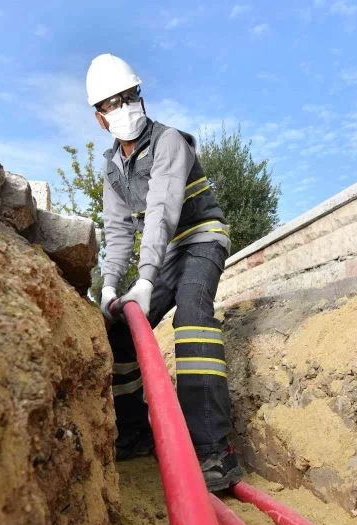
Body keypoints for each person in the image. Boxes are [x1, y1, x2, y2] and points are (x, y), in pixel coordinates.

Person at [86, 53, 243, 492]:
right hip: (171, 250)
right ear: (100, 119)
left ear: (140, 95)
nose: (123, 108)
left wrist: (147, 276)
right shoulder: (112, 169)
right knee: (118, 330)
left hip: (202, 237)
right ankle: (136, 433)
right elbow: (117, 232)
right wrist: (112, 286)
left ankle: (214, 451)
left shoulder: (169, 141)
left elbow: (161, 212)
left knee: (193, 318)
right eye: (111, 103)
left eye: (128, 97)